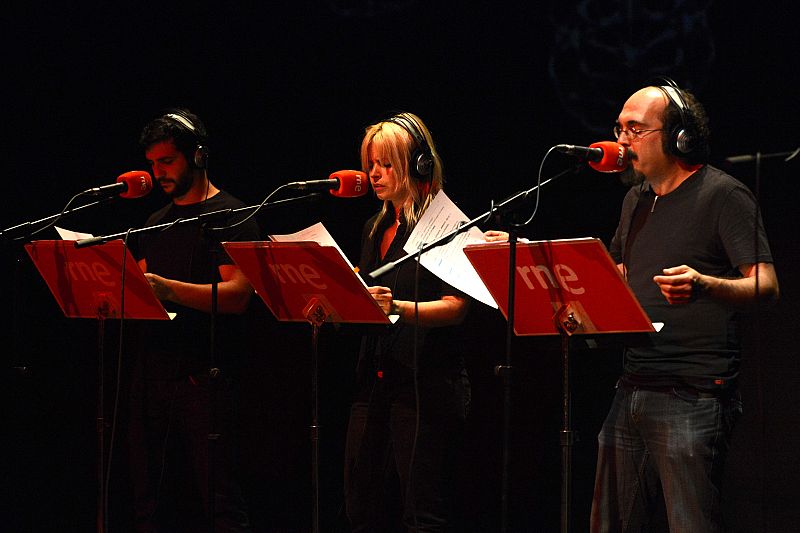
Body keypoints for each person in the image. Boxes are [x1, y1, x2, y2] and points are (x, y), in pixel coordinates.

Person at [590, 79, 779, 532]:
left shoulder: (724, 195)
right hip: (632, 386)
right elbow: (619, 274)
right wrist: (537, 258)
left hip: (692, 394)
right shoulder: (634, 200)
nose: (622, 141)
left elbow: (767, 285)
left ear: (680, 137)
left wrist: (704, 284)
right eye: (619, 129)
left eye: (636, 129)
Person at [343, 112, 504, 532]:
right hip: (375, 377)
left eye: (386, 164)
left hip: (427, 383)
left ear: (418, 166)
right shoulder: (374, 226)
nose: (374, 174)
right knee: (360, 505)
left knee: (422, 511)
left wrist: (397, 307)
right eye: (371, 164)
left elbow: (456, 307)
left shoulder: (446, 226)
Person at [128, 108, 255, 532]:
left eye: (167, 161)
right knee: (151, 501)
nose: (157, 172)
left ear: (197, 156)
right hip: (154, 378)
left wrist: (170, 290)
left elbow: (238, 295)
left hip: (207, 380)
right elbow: (142, 292)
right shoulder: (153, 223)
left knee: (220, 502)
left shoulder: (231, 214)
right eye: (152, 163)